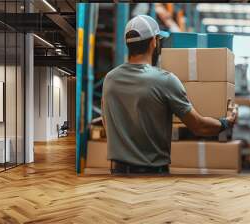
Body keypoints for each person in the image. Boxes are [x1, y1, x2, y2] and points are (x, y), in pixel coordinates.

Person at [102, 15, 238, 175]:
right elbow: (199, 126)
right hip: (152, 175)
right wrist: (226, 122)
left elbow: (107, 121)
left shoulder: (110, 79)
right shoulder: (165, 80)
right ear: (154, 41)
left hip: (117, 172)